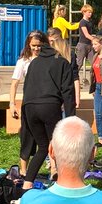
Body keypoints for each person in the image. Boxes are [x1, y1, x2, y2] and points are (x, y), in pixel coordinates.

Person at [20, 30, 77, 188]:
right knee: (59, 146)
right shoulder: (62, 63)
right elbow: (68, 92)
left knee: (43, 147)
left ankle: (27, 184)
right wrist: (71, 118)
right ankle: (67, 183)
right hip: (49, 106)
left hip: (30, 106)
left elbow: (26, 87)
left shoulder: (34, 62)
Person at [10, 31, 46, 168]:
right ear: (28, 45)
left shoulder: (48, 59)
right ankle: (24, 170)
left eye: (39, 46)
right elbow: (14, 83)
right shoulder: (23, 62)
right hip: (29, 102)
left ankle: (54, 169)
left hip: (45, 102)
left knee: (49, 136)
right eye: (34, 46)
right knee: (27, 136)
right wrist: (12, 104)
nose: (36, 49)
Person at [73, 4, 96, 85]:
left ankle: (94, 81)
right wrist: (95, 40)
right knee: (78, 64)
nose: (90, 14)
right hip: (82, 45)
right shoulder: (82, 22)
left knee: (94, 63)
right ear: (84, 12)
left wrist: (94, 37)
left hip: (89, 45)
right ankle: (73, 81)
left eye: (91, 12)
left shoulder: (90, 22)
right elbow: (86, 35)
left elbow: (90, 34)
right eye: (88, 12)